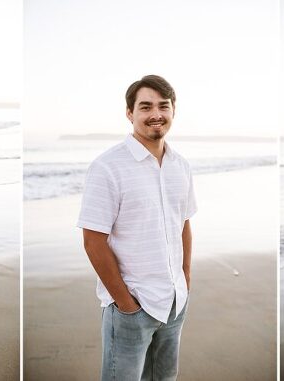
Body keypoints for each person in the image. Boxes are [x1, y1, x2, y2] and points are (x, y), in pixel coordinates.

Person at [77, 74, 196, 381]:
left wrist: (185, 278)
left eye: (163, 106)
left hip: (174, 303)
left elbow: (183, 223)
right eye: (145, 106)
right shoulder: (107, 167)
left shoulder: (180, 165)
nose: (156, 114)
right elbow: (93, 240)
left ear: (173, 111)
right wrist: (126, 303)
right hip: (132, 307)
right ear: (130, 113)